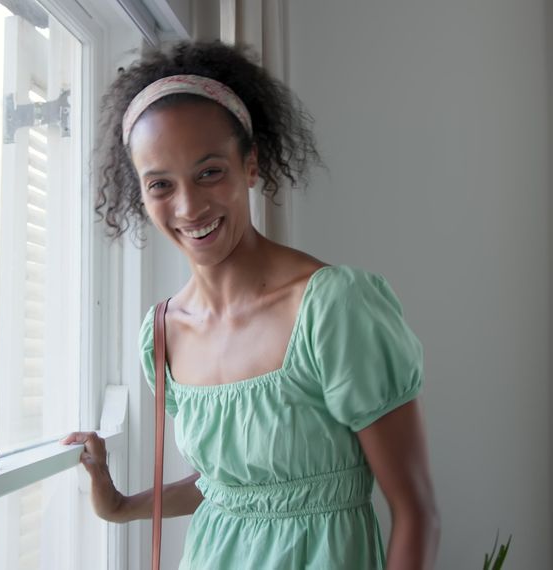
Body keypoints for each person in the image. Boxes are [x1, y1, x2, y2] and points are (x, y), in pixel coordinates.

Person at [59, 40, 439, 569]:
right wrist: (119, 505)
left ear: (251, 164)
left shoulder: (333, 307)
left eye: (209, 172)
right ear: (141, 196)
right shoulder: (164, 333)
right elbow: (232, 487)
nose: (189, 206)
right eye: (161, 185)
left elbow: (416, 511)